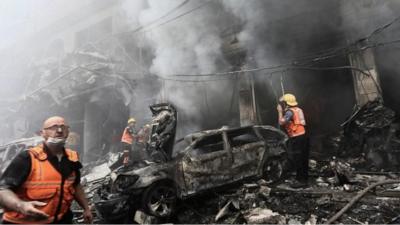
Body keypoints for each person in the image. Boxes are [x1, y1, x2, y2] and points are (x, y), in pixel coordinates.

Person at [0, 116, 93, 224]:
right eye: (53, 127)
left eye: (63, 127)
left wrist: (86, 208)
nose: (59, 130)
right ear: (42, 133)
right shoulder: (27, 157)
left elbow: (75, 185)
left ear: (68, 131)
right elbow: (3, 191)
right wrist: (22, 206)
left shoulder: (72, 158)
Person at [277, 93, 309, 188]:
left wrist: (279, 111)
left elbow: (281, 122)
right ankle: (304, 179)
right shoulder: (298, 109)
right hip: (303, 136)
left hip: (297, 138)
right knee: (303, 159)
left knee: (298, 159)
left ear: (287, 103)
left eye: (283, 103)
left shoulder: (289, 112)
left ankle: (300, 181)